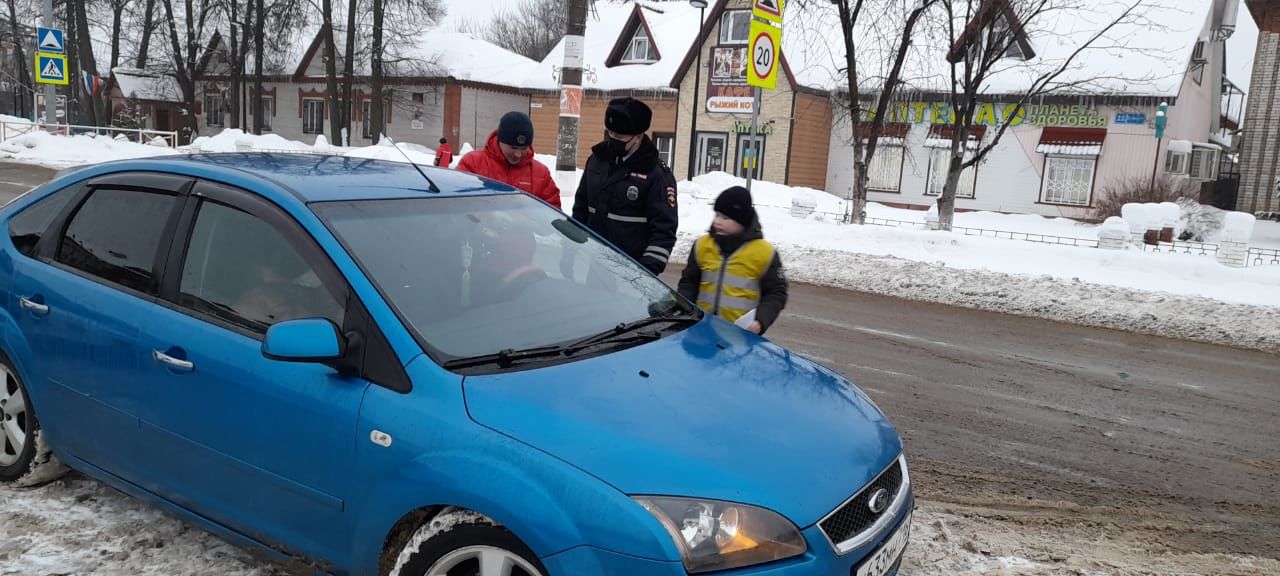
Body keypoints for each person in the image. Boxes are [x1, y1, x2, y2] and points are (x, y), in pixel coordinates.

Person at [571, 97, 678, 273]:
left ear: (638, 137)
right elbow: (580, 209)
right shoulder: (596, 161)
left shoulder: (656, 175)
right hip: (593, 265)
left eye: (619, 137)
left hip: (631, 273)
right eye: (610, 134)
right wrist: (570, 250)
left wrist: (646, 272)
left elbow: (664, 230)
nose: (612, 139)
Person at [677, 186, 787, 335]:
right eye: (717, 215)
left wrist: (760, 320)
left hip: (740, 335)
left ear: (742, 221)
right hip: (700, 330)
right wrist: (684, 308)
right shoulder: (702, 245)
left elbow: (776, 293)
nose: (718, 222)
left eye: (725, 218)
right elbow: (688, 283)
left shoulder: (764, 253)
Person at [457, 112, 560, 208]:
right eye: (513, 147)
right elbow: (457, 203)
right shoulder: (473, 164)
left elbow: (553, 214)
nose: (518, 154)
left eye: (524, 148)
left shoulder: (541, 174)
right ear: (500, 141)